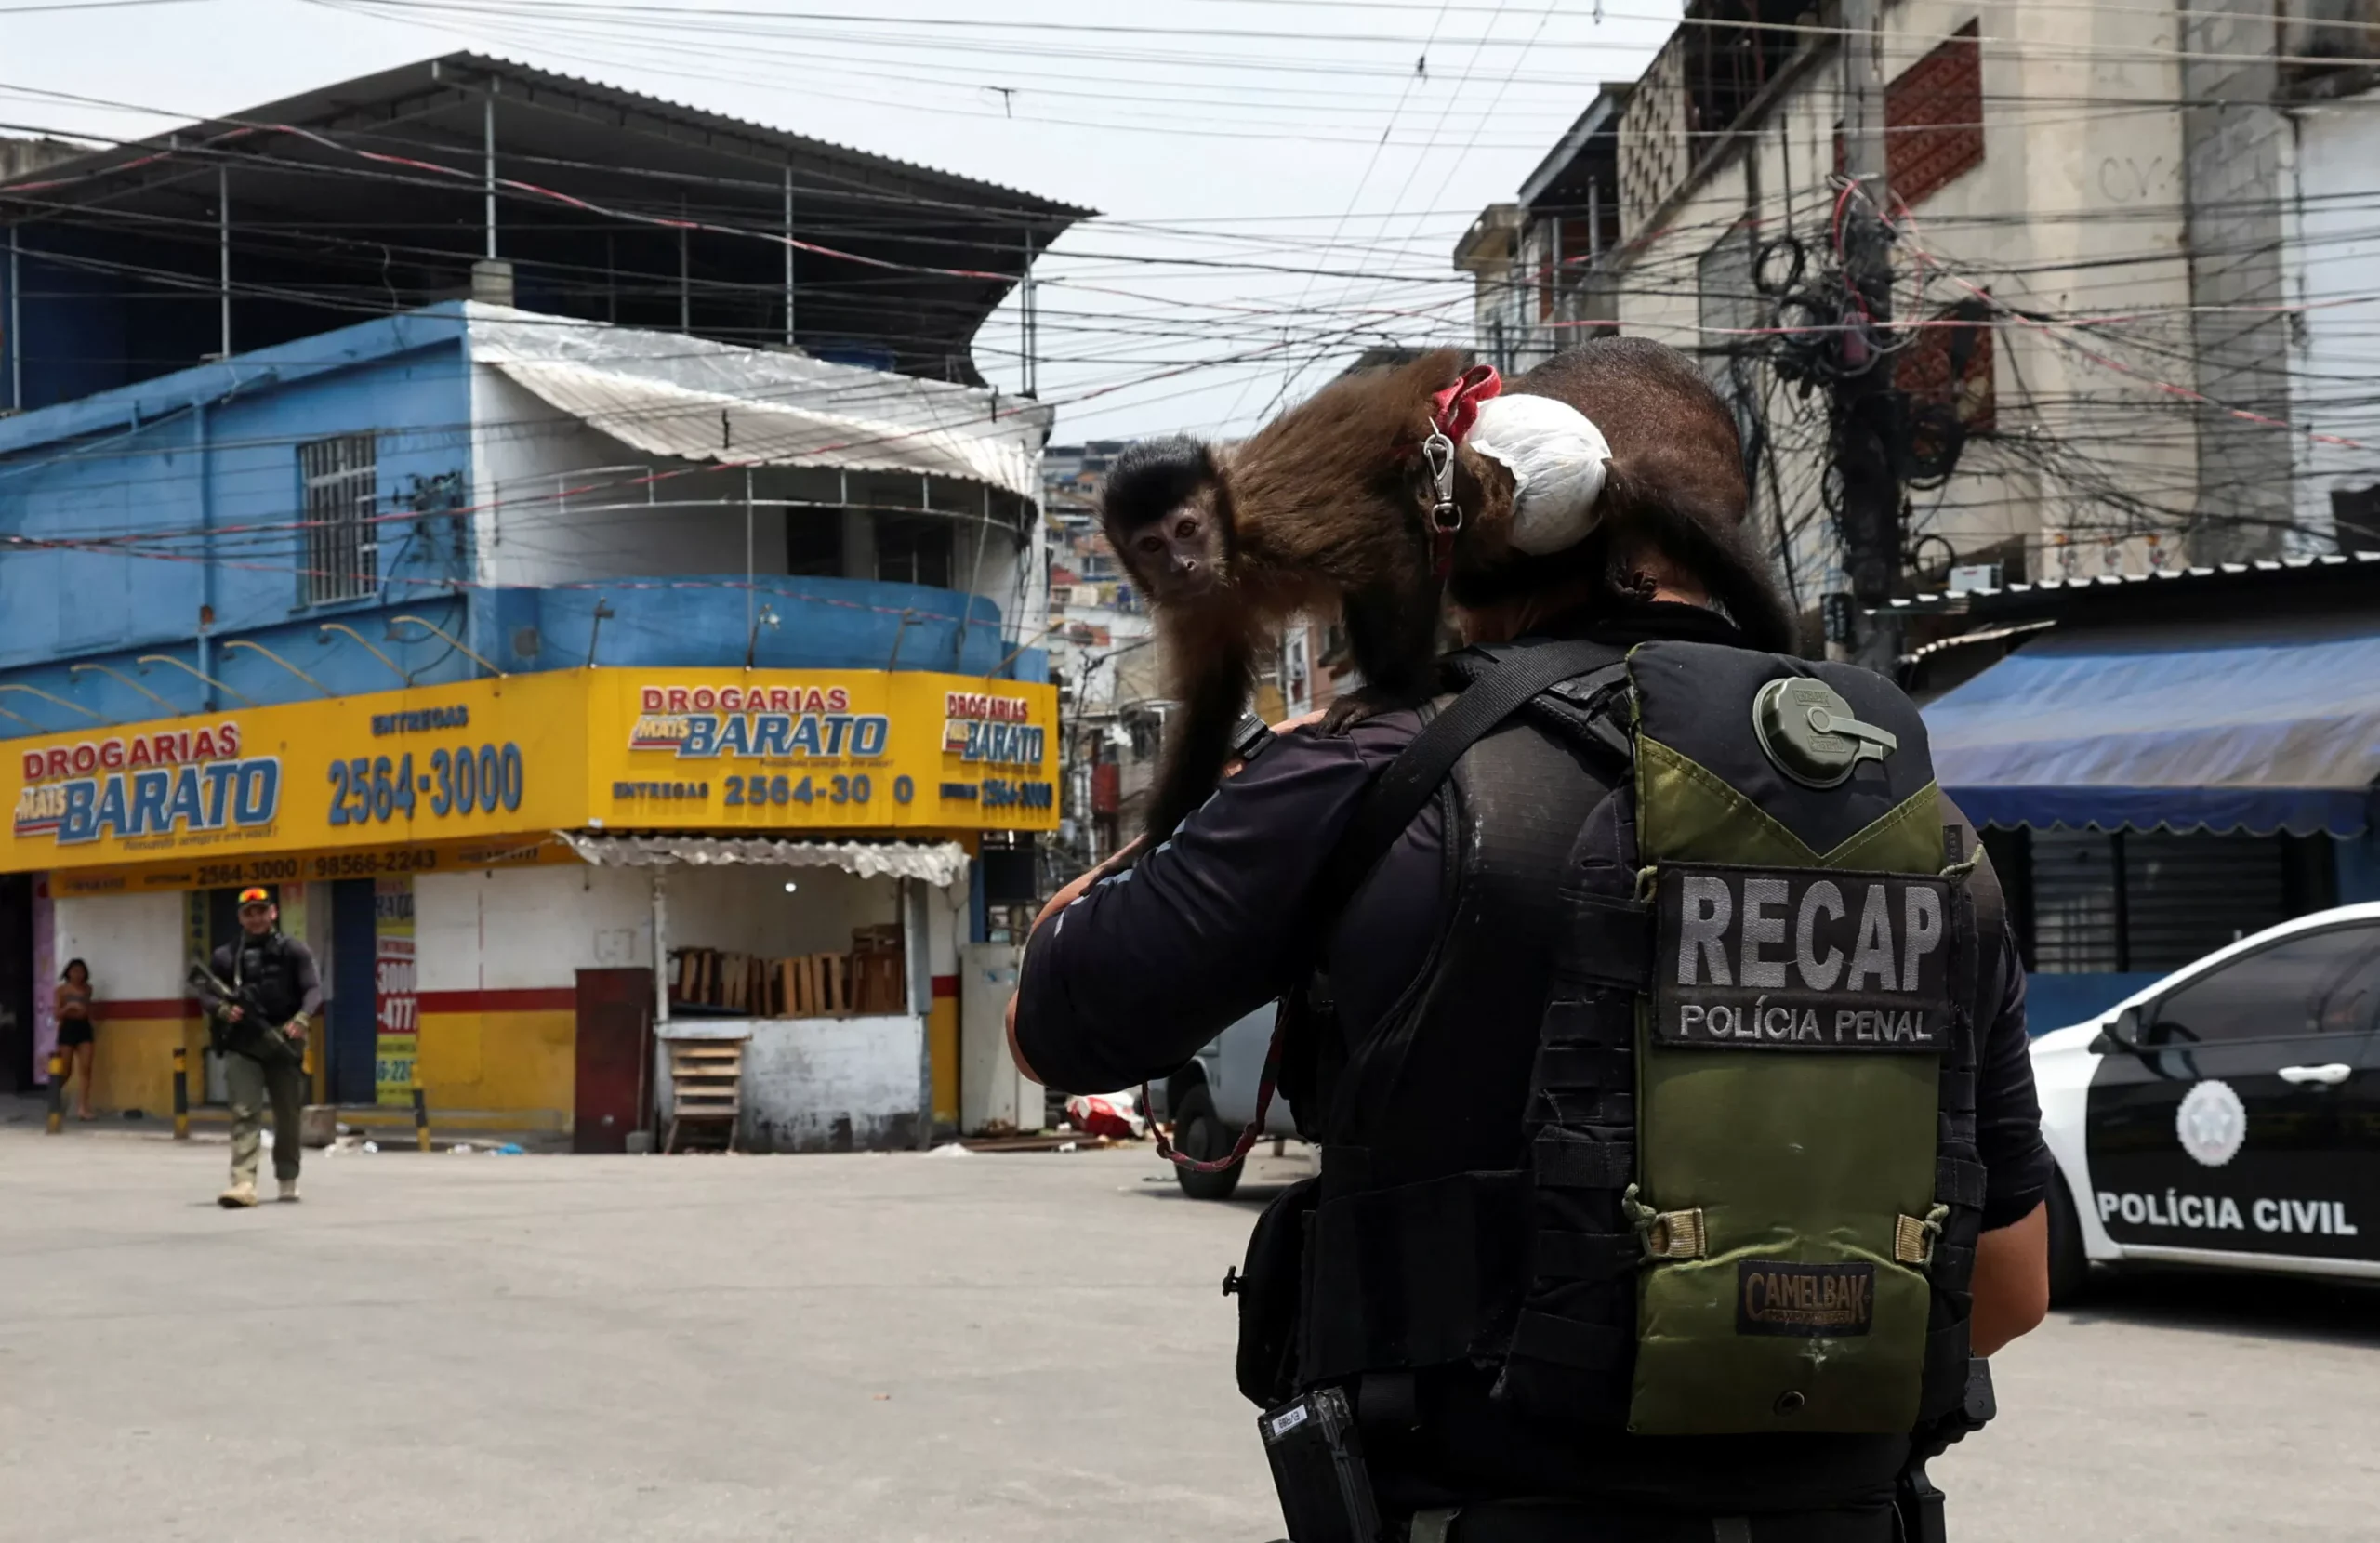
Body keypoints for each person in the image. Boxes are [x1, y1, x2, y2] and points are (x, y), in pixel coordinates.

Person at [1011, 340, 2050, 1542]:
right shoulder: (1919, 822)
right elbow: (2008, 1286)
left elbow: (1057, 1024)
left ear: (1492, 505)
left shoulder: (1377, 763)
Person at [199, 888, 321, 1209]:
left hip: (283, 1041)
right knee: (245, 1113)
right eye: (248, 913)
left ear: (273, 913)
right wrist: (222, 1010)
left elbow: (313, 989)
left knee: (288, 1114)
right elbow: (206, 993)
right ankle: (243, 1182)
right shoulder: (226, 956)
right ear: (240, 917)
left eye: (261, 911)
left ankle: (288, 1178)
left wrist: (303, 1018)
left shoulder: (293, 951)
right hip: (243, 1043)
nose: (255, 918)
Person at [53, 958, 97, 1121]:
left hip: (84, 1028)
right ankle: (53, 1096)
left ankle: (83, 1107)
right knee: (66, 1070)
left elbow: (87, 1010)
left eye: (81, 971)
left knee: (86, 1068)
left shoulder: (88, 989)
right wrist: (69, 1008)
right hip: (68, 1028)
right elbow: (56, 1014)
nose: (78, 975)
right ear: (68, 973)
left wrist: (84, 1012)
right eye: (74, 971)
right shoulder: (61, 990)